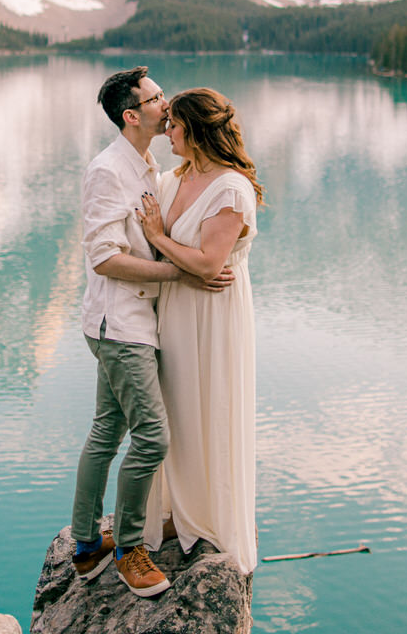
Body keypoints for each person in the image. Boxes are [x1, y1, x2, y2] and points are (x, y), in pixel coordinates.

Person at [68, 67, 232, 598]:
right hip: (121, 326)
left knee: (105, 433)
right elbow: (105, 259)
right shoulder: (107, 171)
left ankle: (87, 546)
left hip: (130, 323)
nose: (168, 104)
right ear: (130, 115)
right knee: (152, 437)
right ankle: (130, 551)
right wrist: (181, 273)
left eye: (163, 95)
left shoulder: (146, 162)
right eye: (156, 98)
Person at [137, 87, 262, 574]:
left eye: (172, 125)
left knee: (211, 406)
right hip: (176, 312)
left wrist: (157, 237)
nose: (165, 131)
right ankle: (175, 511)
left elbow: (211, 264)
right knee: (177, 410)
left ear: (195, 129)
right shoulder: (175, 178)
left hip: (214, 316)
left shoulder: (231, 188)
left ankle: (209, 515)